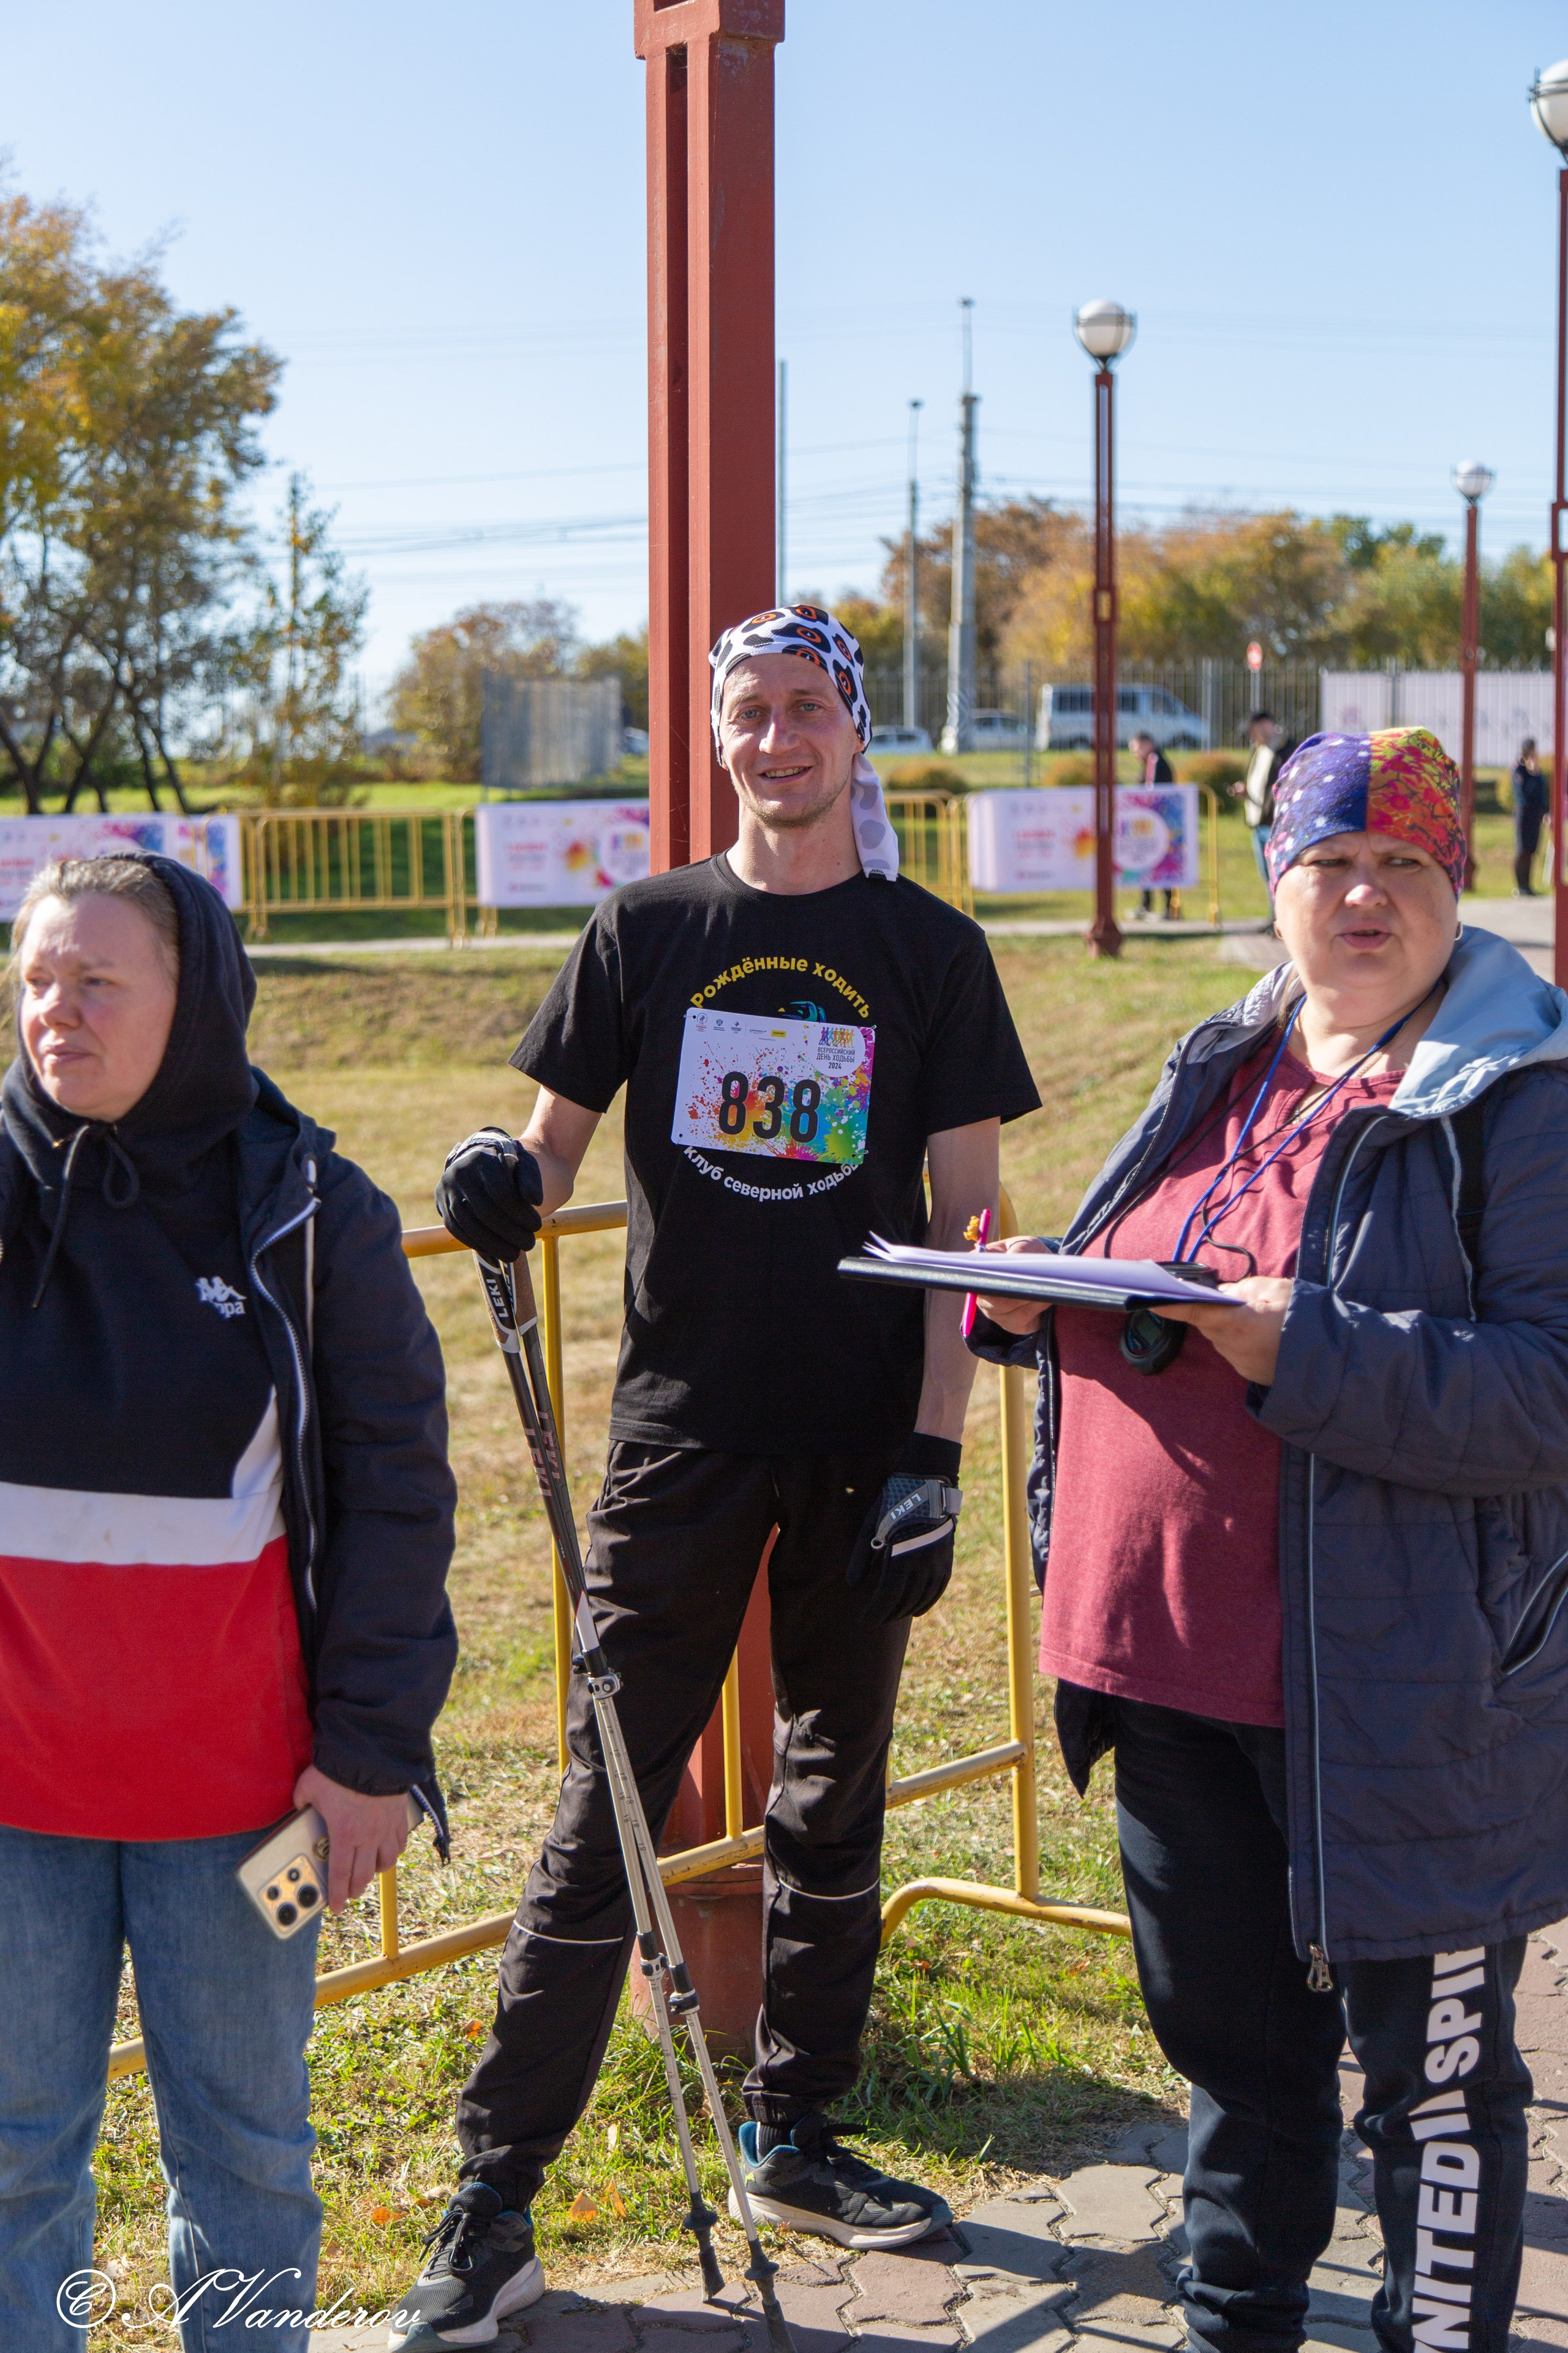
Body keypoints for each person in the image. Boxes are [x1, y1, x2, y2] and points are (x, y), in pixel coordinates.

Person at [394, 602, 1039, 2346]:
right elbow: (541, 1149)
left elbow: (968, 1223)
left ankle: (799, 2134)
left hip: (862, 1449)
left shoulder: (929, 949)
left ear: (853, 729)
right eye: (745, 713)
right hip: (679, 1440)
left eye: (805, 708)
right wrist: (489, 1175)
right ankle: (491, 2202)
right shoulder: (649, 927)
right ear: (718, 738)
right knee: (601, 1814)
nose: (777, 739)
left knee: (838, 1803)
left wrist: (933, 1453)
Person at [969, 724, 1568, 2353]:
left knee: (1432, 2106)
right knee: (1240, 2080)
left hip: (1403, 1703)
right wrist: (1036, 1296)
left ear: (1459, 888)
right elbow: (1140, 1285)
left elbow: (1547, 1391)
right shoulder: (1220, 1061)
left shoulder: (1517, 1102)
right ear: (1275, 887)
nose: (1364, 897)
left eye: (1406, 867)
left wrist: (1301, 1347)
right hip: (1162, 1665)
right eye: (1329, 866)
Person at [0, 853, 458, 2352]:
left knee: (248, 2162)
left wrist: (372, 1747)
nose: (55, 1009)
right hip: (16, 1803)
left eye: (97, 979)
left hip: (244, 1811)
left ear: (191, 999)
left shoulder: (315, 1208)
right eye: (36, 976)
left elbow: (397, 1494)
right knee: (13, 2159)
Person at [1129, 730, 1178, 921]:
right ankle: (1146, 904)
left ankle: (1169, 907)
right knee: (1145, 862)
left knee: (1162, 863)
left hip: (1160, 823)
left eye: (1137, 748)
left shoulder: (1156, 762)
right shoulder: (1149, 763)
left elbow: (1154, 792)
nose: (1135, 753)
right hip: (1149, 824)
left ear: (1148, 744)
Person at [1235, 709, 1283, 883]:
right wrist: (1246, 789)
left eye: (1253, 731)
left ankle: (1278, 912)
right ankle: (1273, 911)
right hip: (1257, 821)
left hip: (1276, 824)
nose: (1251, 736)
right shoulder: (1258, 748)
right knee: (1266, 875)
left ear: (1265, 725)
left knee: (1278, 874)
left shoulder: (1286, 749)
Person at [1511, 738, 1548, 896]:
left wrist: (1536, 773)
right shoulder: (1518, 770)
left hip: (1535, 816)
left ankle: (1528, 886)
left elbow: (1542, 792)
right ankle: (1520, 886)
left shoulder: (1536, 772)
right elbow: (1524, 795)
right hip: (1523, 815)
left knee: (1531, 851)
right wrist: (1532, 774)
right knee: (1522, 850)